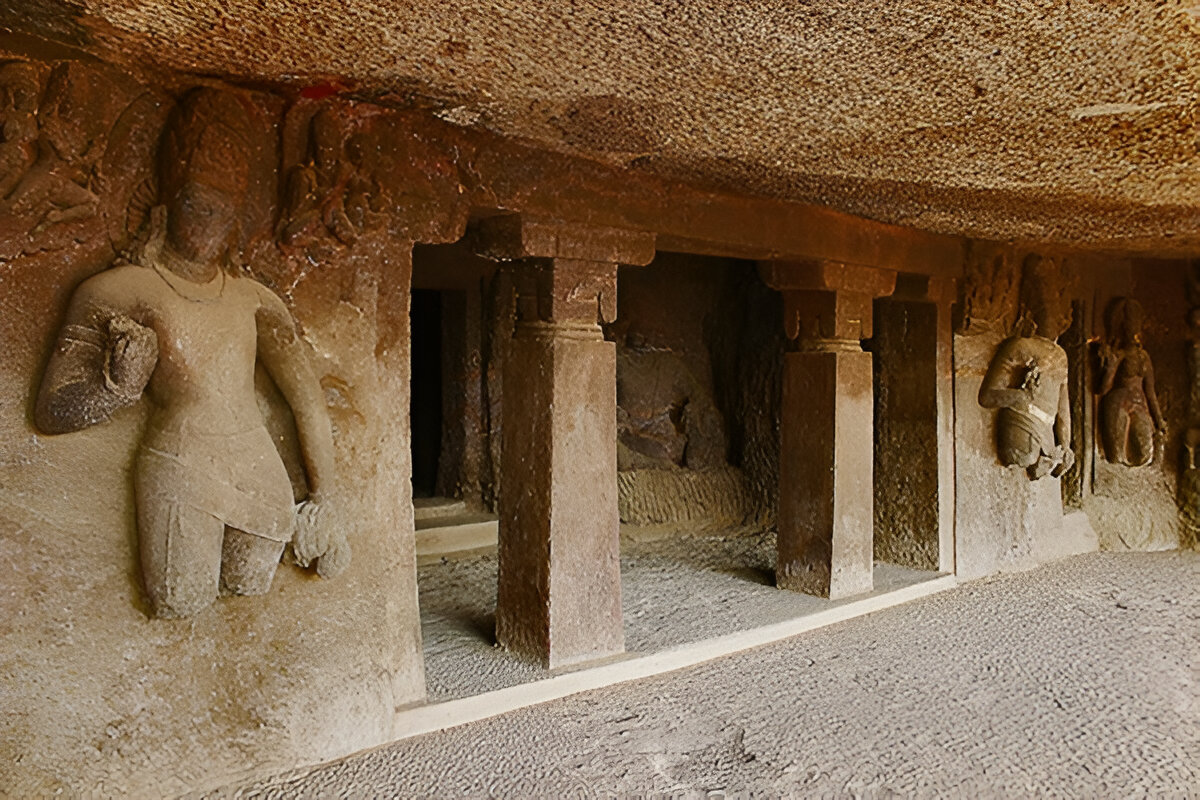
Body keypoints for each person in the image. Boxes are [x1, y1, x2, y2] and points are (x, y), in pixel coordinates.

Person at [35, 88, 346, 618]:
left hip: (256, 469)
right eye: (195, 204)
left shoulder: (254, 300)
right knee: (180, 599)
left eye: (222, 211)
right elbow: (50, 412)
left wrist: (330, 496)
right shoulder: (119, 291)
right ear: (165, 200)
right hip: (180, 462)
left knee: (249, 587)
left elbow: (307, 400)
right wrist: (118, 387)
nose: (207, 222)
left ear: (237, 221)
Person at [978, 255, 1075, 480]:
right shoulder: (1020, 346)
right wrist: (1021, 397)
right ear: (1031, 314)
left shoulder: (1061, 356)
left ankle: (1049, 458)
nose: (1053, 317)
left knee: (1048, 458)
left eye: (1056, 310)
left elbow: (1063, 410)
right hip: (1020, 424)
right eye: (1046, 309)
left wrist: (1067, 444)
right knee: (1023, 456)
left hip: (1047, 433)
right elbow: (986, 397)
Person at [1096, 298, 1164, 467]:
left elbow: (1151, 393)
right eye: (1128, 325)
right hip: (1118, 402)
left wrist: (1159, 419)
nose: (1133, 330)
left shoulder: (1144, 357)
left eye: (1135, 324)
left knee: (1144, 456)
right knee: (1116, 457)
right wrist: (1109, 368)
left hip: (1140, 405)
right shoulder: (1118, 355)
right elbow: (1103, 389)